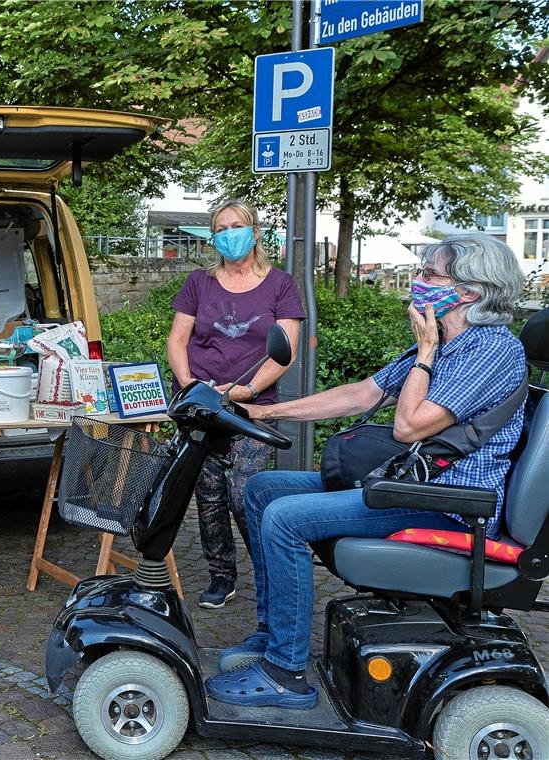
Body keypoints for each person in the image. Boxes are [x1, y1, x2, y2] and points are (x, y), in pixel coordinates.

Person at [206, 232, 527, 709]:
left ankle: (285, 672)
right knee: (263, 488)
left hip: (448, 505)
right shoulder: (449, 343)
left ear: (470, 292)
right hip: (410, 487)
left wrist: (424, 353)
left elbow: (409, 426)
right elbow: (362, 393)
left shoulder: (489, 350)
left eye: (429, 274)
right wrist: (259, 411)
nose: (417, 283)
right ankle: (271, 634)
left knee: (286, 518)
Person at [166, 200, 304, 609]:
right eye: (221, 228)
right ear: (213, 237)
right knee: (208, 496)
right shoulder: (199, 282)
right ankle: (221, 575)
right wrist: (191, 385)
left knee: (246, 495)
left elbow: (287, 348)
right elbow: (178, 339)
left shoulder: (280, 284)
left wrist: (247, 390)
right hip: (202, 407)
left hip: (249, 410)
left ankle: (269, 572)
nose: (230, 234)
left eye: (237, 225)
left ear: (255, 232)